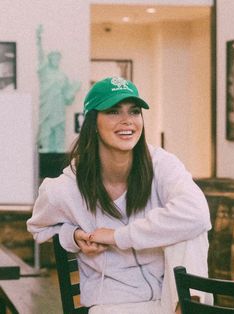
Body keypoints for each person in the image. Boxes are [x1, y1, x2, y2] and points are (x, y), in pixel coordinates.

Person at [27, 76, 212, 314]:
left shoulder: (161, 164)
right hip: (113, 303)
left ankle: (187, 308)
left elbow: (197, 214)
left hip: (170, 300)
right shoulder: (64, 188)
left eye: (134, 112)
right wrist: (73, 235)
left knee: (190, 230)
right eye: (114, 111)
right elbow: (38, 228)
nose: (127, 121)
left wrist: (118, 236)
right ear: (93, 122)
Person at [36, 24, 81, 153]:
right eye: (53, 57)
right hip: (47, 106)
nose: (56, 59)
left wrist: (74, 89)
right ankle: (46, 147)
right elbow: (40, 56)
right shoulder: (44, 72)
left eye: (58, 57)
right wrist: (38, 39)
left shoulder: (63, 75)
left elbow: (67, 96)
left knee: (59, 127)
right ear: (49, 59)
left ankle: (59, 148)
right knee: (47, 128)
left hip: (59, 106)